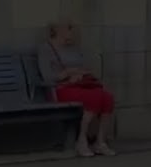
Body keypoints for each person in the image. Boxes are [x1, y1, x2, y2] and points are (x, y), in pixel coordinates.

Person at [37, 19, 117, 158]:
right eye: (68, 28)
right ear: (57, 30)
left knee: (107, 97)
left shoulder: (73, 48)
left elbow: (84, 67)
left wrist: (80, 74)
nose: (72, 31)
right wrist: (67, 74)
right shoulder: (46, 49)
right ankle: (81, 141)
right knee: (93, 98)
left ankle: (100, 141)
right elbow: (47, 77)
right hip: (60, 89)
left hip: (79, 85)